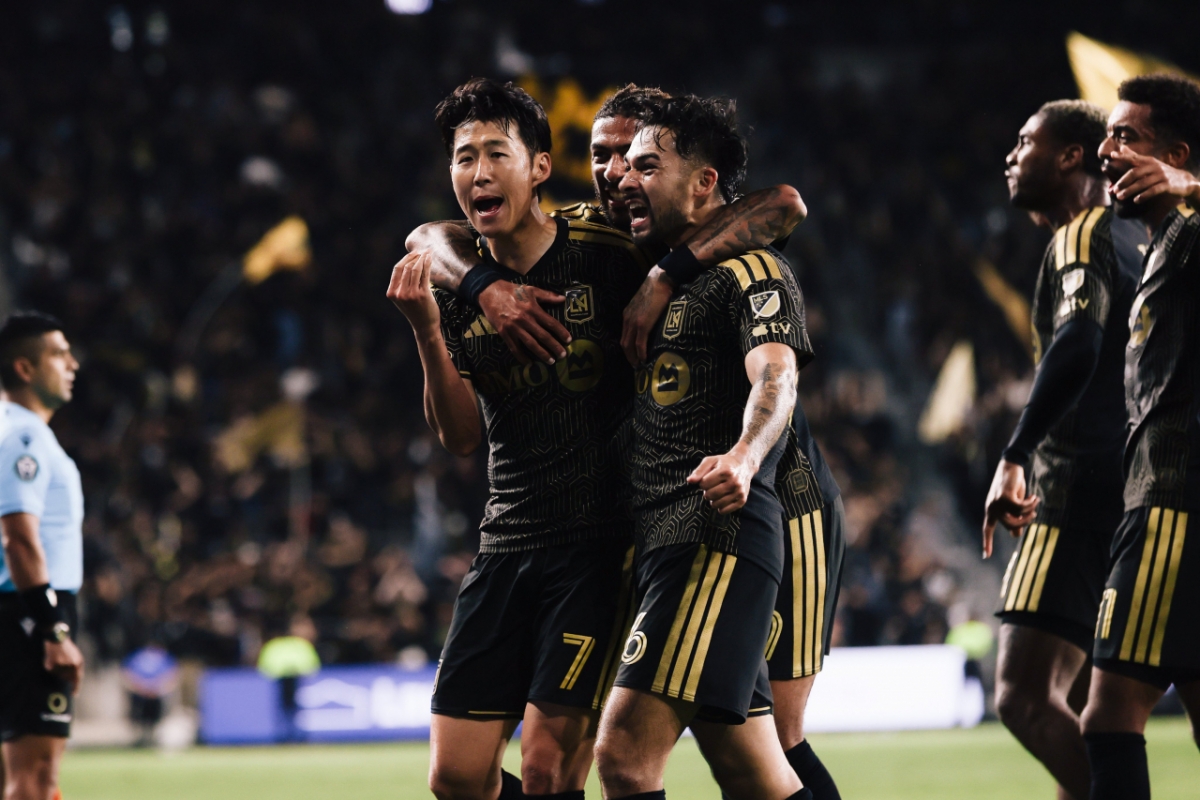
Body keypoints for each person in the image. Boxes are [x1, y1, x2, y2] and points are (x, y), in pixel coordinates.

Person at [388, 78, 646, 800]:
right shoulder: (452, 280)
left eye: (495, 153)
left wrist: (663, 282)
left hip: (598, 546)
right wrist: (430, 331)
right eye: (462, 157)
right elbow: (460, 436)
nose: (476, 172)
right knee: (457, 777)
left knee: (543, 768)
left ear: (538, 168)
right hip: (505, 543)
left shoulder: (606, 245)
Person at [593, 94, 811, 800]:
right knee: (755, 772)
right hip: (665, 541)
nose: (625, 179)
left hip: (711, 535)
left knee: (625, 758)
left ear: (705, 182)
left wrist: (745, 454)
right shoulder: (658, 266)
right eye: (621, 165)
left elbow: (776, 371)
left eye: (646, 166)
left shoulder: (752, 271)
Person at [981, 99, 1147, 800]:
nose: (1011, 157)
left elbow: (1078, 340)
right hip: (1134, 489)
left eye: (1026, 143)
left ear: (1071, 157)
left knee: (1020, 697)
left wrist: (1015, 452)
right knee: (1084, 706)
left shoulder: (1081, 234)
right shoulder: (1136, 239)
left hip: (1076, 488)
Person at [404, 83, 807, 368]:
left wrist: (664, 273)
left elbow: (785, 203)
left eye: (632, 156)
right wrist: (487, 289)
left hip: (765, 477)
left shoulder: (701, 225)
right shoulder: (586, 231)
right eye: (600, 155)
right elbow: (426, 237)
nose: (615, 173)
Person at [1079, 73, 1200, 800]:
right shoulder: (1162, 244)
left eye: (1128, 136)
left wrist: (1192, 187)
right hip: (1169, 498)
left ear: (1177, 154)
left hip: (1174, 502)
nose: (1107, 150)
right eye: (1107, 134)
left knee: (1107, 716)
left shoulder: (1188, 231)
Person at [0, 312, 84, 800]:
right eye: (58, 353)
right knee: (36, 779)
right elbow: (20, 538)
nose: (72, 363)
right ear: (25, 368)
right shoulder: (24, 438)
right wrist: (53, 628)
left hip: (19, 612)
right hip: (27, 614)